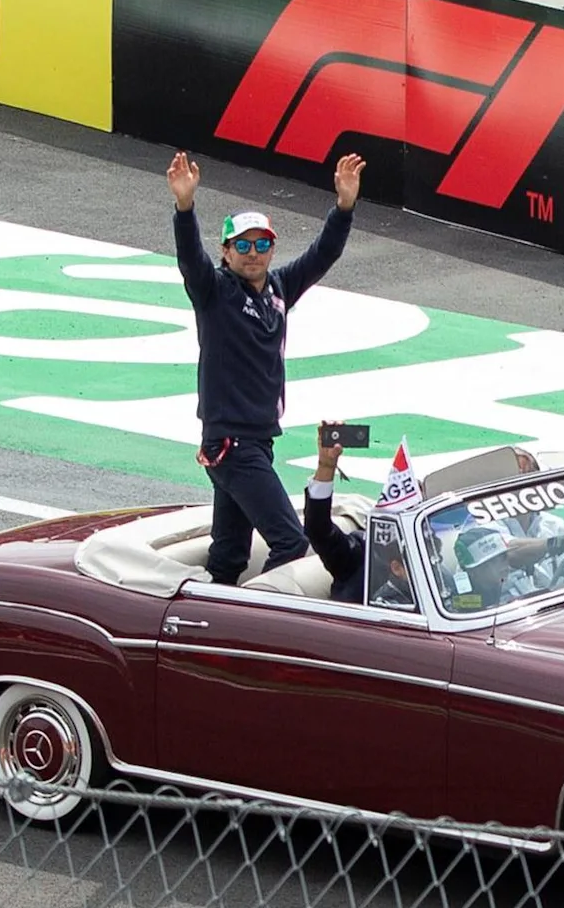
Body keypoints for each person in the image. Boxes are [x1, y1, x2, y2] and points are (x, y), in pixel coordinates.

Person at [166, 148, 363, 588]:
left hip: (256, 442)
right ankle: (256, 615)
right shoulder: (214, 292)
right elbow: (189, 261)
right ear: (227, 251)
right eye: (243, 245)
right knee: (290, 542)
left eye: (262, 244)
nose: (253, 253)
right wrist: (184, 207)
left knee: (229, 554)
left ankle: (213, 611)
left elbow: (322, 255)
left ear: (272, 249)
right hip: (232, 445)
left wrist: (344, 206)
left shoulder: (278, 288)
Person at [300, 425, 421, 608]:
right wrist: (326, 466)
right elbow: (318, 529)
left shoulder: (435, 560)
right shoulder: (359, 557)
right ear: (397, 567)